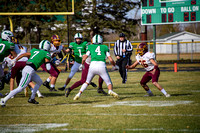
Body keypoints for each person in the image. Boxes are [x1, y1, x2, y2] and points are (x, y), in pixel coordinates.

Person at [0, 40, 51, 107]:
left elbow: (23, 54)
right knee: (20, 88)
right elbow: (48, 68)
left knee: (39, 81)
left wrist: (15, 60)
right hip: (29, 70)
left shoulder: (35, 50)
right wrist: (52, 63)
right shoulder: (46, 53)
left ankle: (32, 98)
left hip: (29, 69)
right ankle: (4, 100)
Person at [73, 34, 119, 100]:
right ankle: (110, 91)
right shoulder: (104, 47)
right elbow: (111, 59)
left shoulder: (90, 47)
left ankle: (79, 93)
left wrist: (82, 64)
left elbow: (84, 58)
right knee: (109, 83)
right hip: (102, 65)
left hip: (92, 66)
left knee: (87, 82)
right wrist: (115, 66)